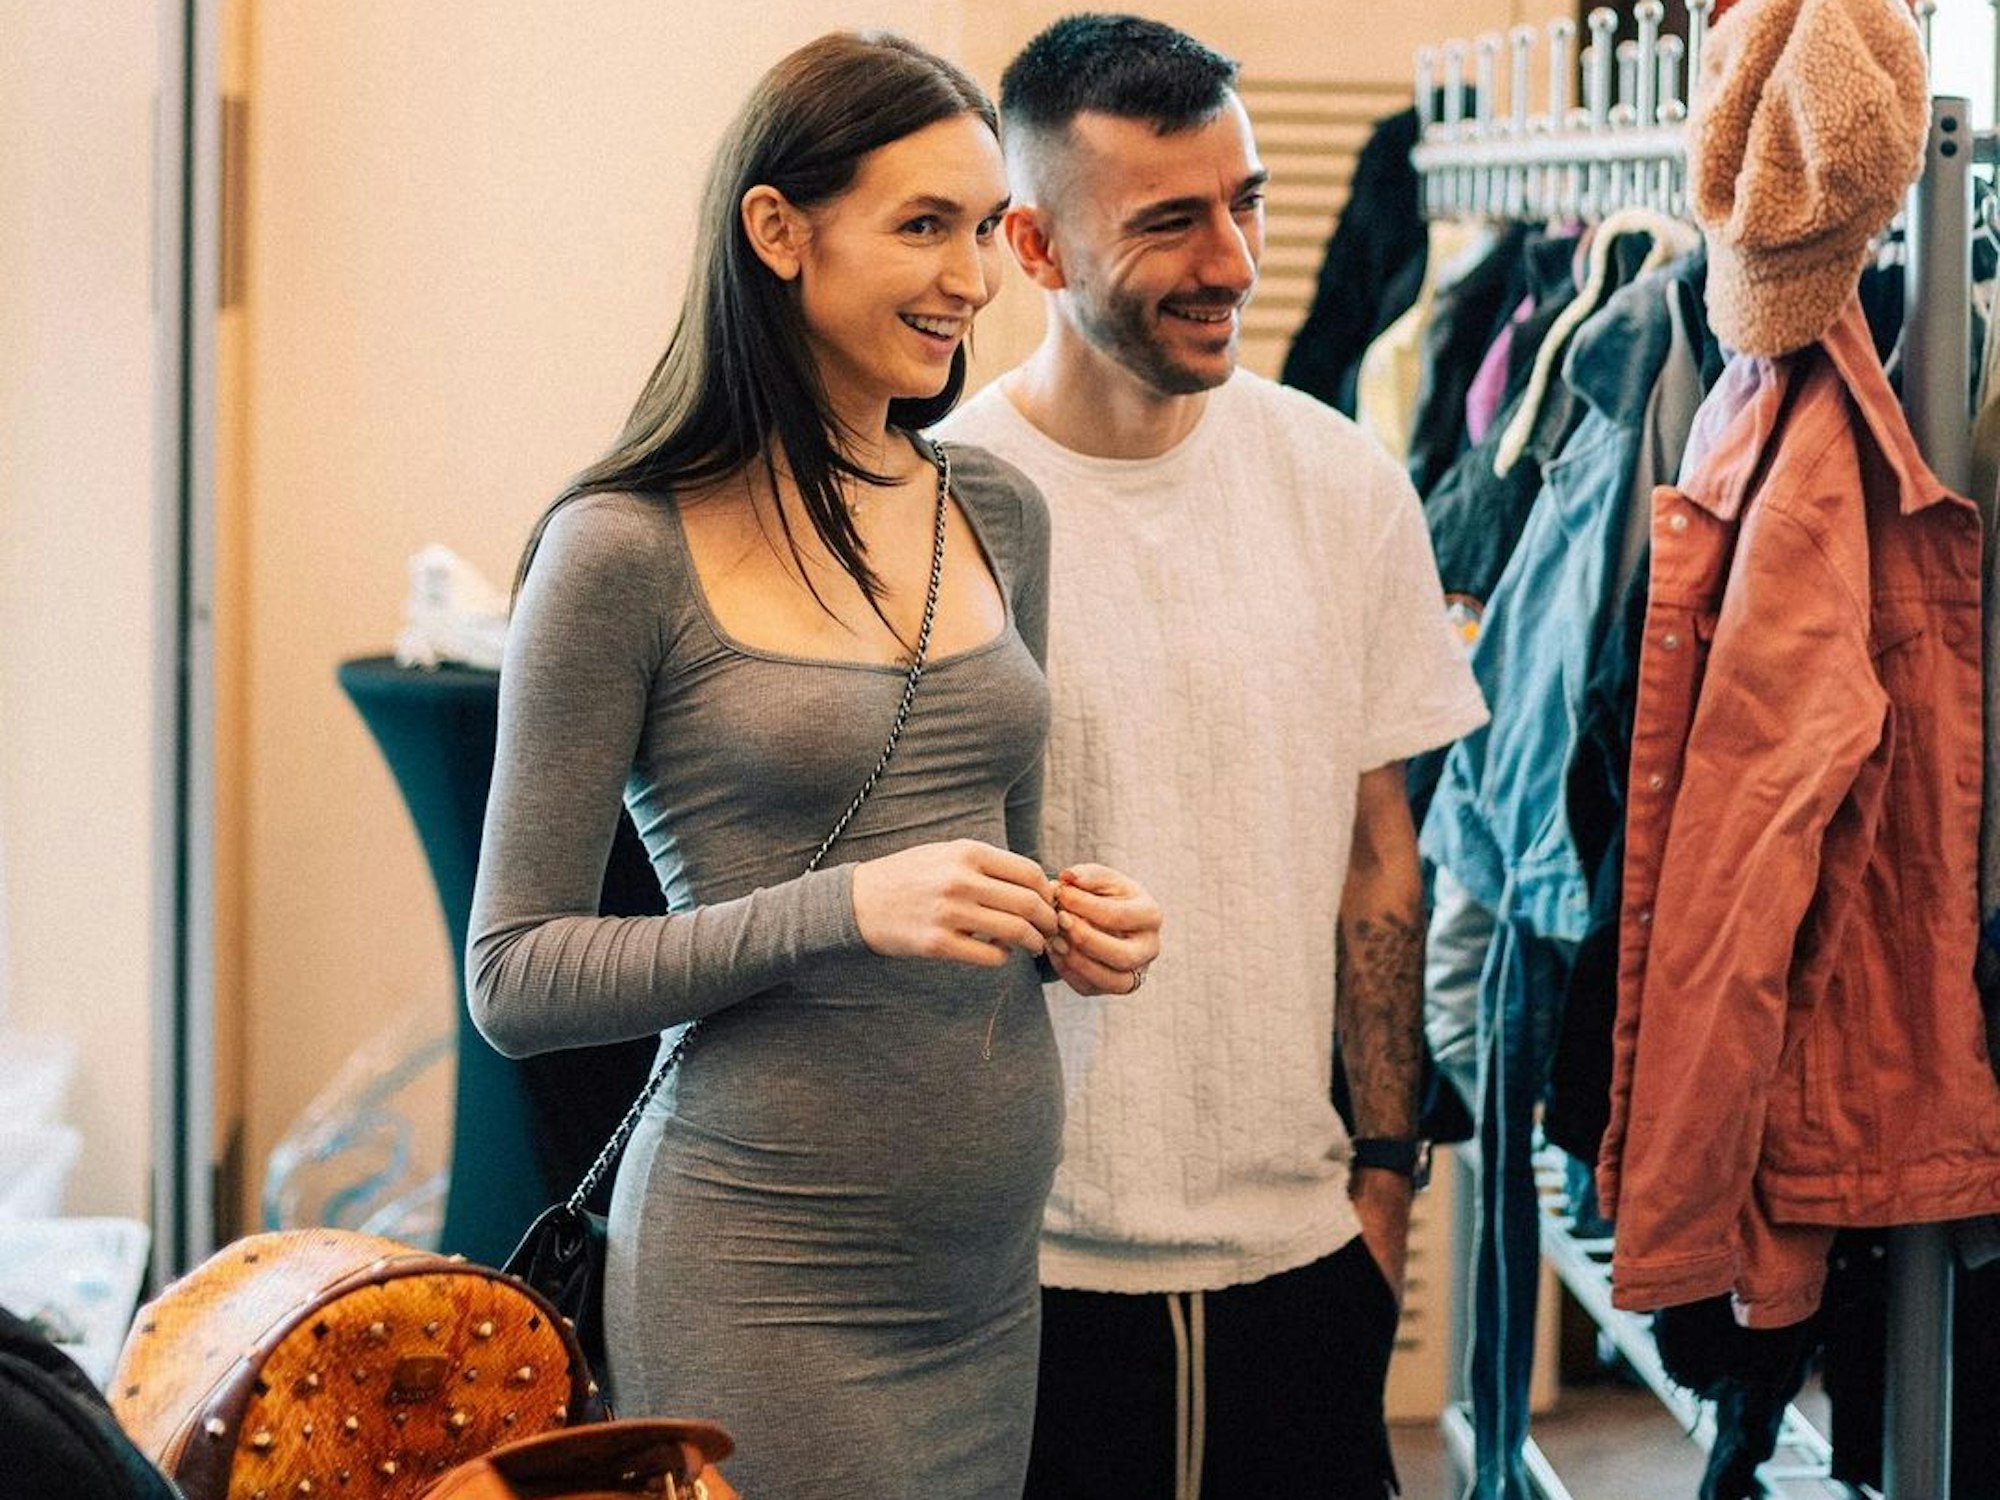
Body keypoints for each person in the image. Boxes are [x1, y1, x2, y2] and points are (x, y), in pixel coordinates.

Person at [465, 31, 1161, 1500]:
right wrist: (841, 907)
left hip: (982, 1267)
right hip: (758, 1265)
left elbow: (989, 884)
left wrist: (1073, 923)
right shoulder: (619, 552)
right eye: (922, 226)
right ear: (778, 232)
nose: (971, 278)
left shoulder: (998, 514)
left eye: (982, 229)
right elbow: (514, 980)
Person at [935, 15, 1488, 1498]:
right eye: (1172, 222)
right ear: (1036, 249)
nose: (1234, 261)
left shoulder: (1342, 481)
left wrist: (1388, 1181)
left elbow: (1383, 854)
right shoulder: (945, 510)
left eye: (1244, 202)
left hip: (1306, 1250)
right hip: (1024, 1268)